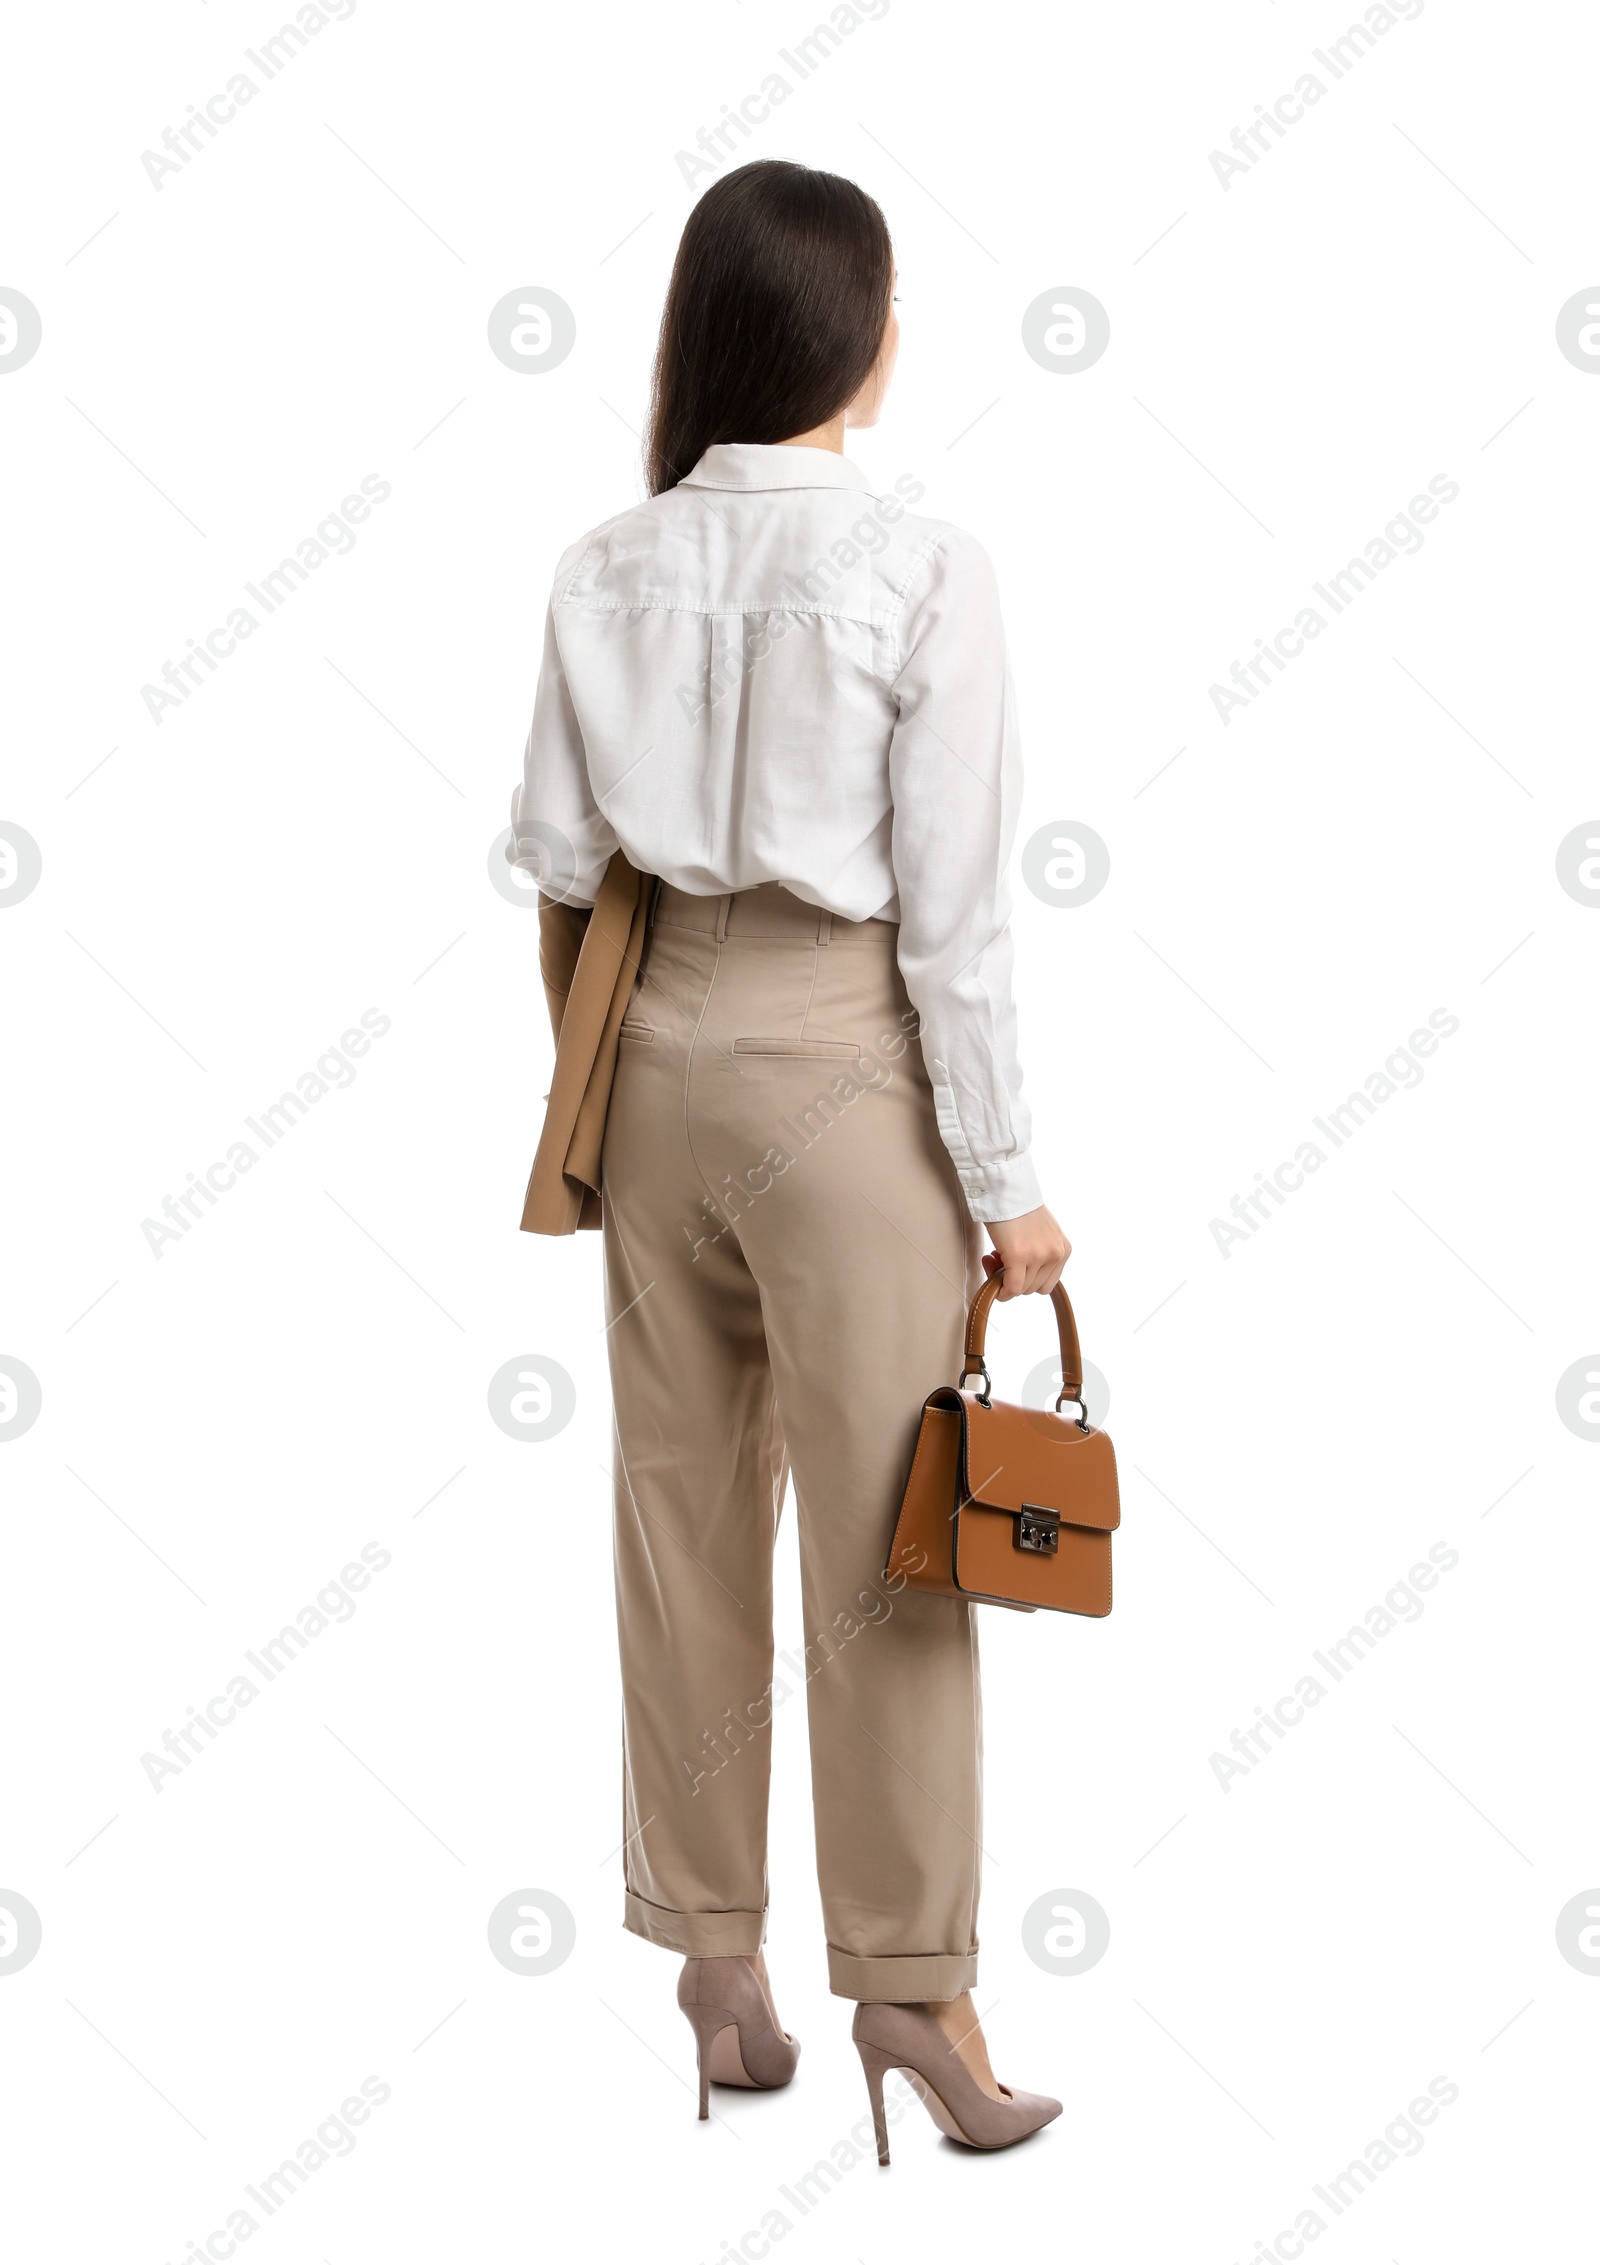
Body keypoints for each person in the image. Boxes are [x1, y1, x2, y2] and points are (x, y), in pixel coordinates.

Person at [509, 158, 1070, 2162]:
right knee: (891, 1541)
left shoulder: (601, 559)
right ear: (863, 336)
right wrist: (1004, 1180)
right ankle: (913, 1993)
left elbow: (559, 875)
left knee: (678, 1516)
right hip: (848, 1061)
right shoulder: (924, 570)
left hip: (650, 1051)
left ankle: (713, 1961)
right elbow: (954, 925)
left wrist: (618, 1077)